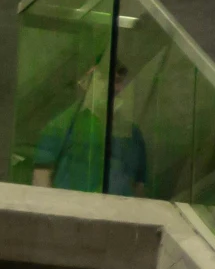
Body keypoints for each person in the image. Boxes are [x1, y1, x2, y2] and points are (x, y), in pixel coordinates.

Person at [30, 60, 149, 195]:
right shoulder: (63, 125)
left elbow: (139, 185)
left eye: (119, 81)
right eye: (108, 80)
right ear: (87, 81)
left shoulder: (133, 133)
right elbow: (41, 178)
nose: (117, 89)